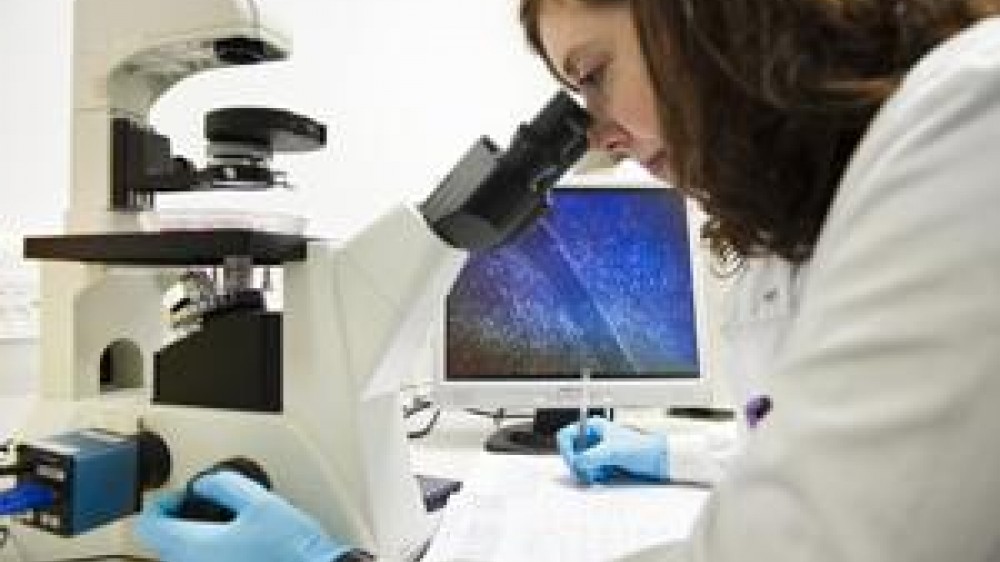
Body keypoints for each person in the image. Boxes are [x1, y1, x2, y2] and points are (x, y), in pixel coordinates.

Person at [136, 0, 1000, 560]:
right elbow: (824, 475)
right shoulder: (821, 222)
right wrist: (675, 451)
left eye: (593, 75)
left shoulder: (972, 122)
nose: (600, 137)